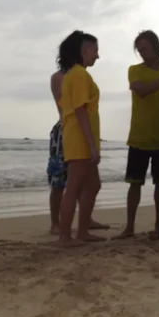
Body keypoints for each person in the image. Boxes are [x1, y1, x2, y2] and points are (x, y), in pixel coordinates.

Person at [116, 30, 159, 238]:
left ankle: (158, 226)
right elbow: (141, 90)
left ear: (156, 46)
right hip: (139, 138)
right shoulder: (135, 70)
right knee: (134, 185)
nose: (141, 53)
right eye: (139, 50)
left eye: (144, 48)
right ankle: (129, 227)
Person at [47, 65, 109, 235]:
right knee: (60, 180)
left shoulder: (80, 75)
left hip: (81, 129)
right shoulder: (62, 76)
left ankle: (85, 220)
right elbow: (72, 105)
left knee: (86, 180)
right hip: (66, 129)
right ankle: (55, 223)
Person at [57, 30, 104, 247]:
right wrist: (92, 145)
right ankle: (65, 236)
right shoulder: (78, 75)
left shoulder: (76, 74)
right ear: (85, 50)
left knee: (93, 184)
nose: (97, 55)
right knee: (74, 186)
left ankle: (82, 231)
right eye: (95, 50)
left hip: (81, 137)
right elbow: (80, 111)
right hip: (79, 138)